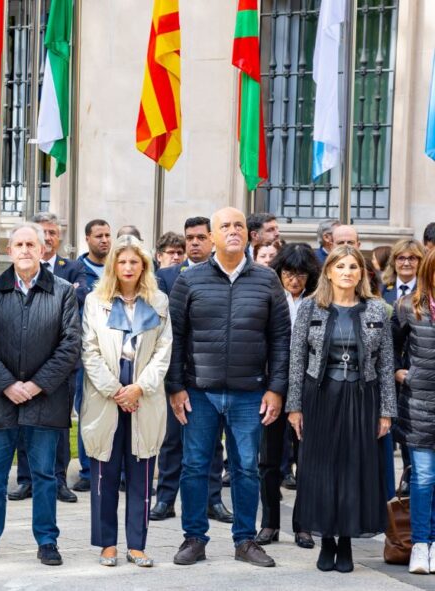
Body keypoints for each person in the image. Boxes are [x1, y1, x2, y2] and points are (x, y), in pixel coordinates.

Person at [168, 207, 290, 568]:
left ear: (248, 235)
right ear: (213, 237)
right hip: (199, 392)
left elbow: (280, 339)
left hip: (250, 392)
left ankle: (245, 541)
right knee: (194, 466)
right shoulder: (189, 281)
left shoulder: (267, 280)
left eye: (239, 225)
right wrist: (175, 386)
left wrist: (276, 388)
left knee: (246, 468)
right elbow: (174, 337)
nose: (233, 230)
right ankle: (194, 538)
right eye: (225, 226)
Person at [0, 222, 80, 567]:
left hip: (46, 399)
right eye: (19, 244)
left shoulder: (63, 291)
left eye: (32, 243)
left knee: (45, 474)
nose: (26, 249)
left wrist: (35, 385)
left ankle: (47, 540)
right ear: (9, 251)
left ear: (44, 249)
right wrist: (7, 384)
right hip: (2, 399)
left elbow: (70, 345)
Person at [286, 245, 394, 573]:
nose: (347, 272)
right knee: (320, 468)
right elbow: (296, 360)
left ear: (362, 273)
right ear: (329, 271)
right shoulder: (309, 307)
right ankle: (327, 540)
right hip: (320, 394)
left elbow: (386, 364)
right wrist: (294, 406)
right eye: (341, 266)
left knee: (353, 468)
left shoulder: (377, 310)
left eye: (353, 266)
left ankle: (346, 540)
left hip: (363, 396)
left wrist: (386, 411)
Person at [80, 235, 172, 568]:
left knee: (142, 471)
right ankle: (107, 544)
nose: (128, 267)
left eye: (135, 262)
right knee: (105, 472)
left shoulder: (158, 302)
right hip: (107, 393)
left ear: (144, 266)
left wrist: (138, 388)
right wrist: (115, 389)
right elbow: (88, 350)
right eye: (122, 261)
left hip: (143, 394)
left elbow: (164, 352)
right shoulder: (96, 301)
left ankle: (137, 544)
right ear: (113, 265)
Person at [151, 216, 231, 525]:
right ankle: (165, 499)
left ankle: (213, 500)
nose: (194, 243)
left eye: (200, 237)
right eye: (189, 238)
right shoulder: (167, 276)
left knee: (212, 442)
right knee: (173, 439)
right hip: (177, 371)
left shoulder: (223, 275)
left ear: (212, 240)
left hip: (211, 372)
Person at [8, 212, 82, 505]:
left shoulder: (71, 268)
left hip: (58, 369)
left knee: (58, 426)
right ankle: (26, 479)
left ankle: (59, 479)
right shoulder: (11, 278)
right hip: (21, 367)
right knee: (23, 426)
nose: (48, 238)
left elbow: (81, 299)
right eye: (44, 232)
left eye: (52, 233)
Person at [257, 243, 320, 550]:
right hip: (271, 386)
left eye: (300, 274)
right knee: (268, 460)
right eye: (288, 273)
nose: (294, 280)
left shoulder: (319, 302)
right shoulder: (270, 297)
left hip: (308, 390)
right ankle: (269, 523)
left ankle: (303, 525)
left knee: (306, 459)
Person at [393, 248, 435, 574]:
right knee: (423, 478)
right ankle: (420, 544)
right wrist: (399, 371)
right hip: (420, 402)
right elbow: (389, 345)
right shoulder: (408, 307)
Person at [72, 219, 113, 492]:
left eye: (108, 235)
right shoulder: (74, 270)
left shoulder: (118, 268)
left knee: (115, 411)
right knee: (87, 411)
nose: (105, 240)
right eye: (99, 235)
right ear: (87, 238)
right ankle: (88, 470)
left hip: (115, 352)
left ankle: (116, 470)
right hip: (83, 355)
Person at [382, 239, 424, 306]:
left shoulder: (426, 291)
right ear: (394, 261)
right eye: (401, 258)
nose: (406, 263)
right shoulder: (382, 289)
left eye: (412, 258)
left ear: (419, 262)